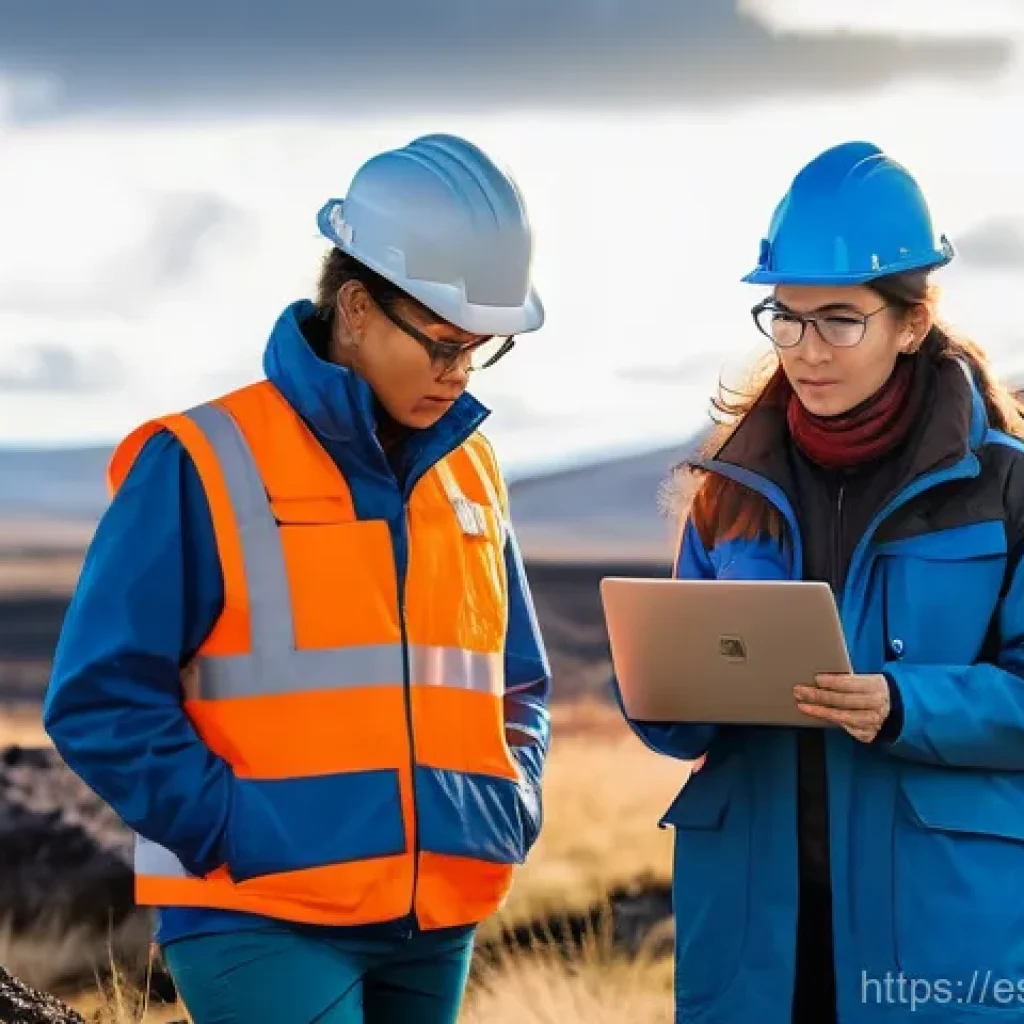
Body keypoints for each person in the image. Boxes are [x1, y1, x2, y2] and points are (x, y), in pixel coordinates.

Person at [43, 133, 552, 1024]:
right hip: (257, 910)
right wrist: (230, 829)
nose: (460, 371)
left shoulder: (473, 473)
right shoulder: (201, 461)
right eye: (441, 342)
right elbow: (98, 697)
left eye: (482, 348)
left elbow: (517, 682)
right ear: (355, 308)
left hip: (440, 912)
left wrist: (509, 801)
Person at [618, 141, 1024, 1023]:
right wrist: (664, 690)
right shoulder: (731, 488)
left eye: (840, 320)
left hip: (934, 939)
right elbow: (679, 711)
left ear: (910, 322)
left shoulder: (1005, 490)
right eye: (786, 317)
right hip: (756, 941)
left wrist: (905, 706)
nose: (808, 350)